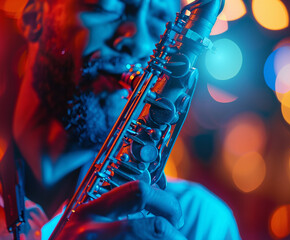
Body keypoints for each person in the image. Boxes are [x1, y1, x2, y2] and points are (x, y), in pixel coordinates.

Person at [0, 0, 241, 239]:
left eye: (161, 20)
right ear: (34, 17)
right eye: (106, 7)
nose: (140, 43)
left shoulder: (200, 223)